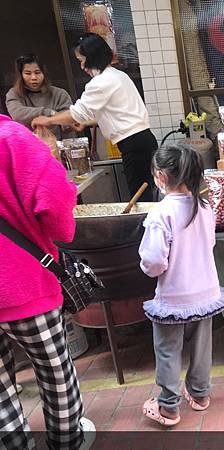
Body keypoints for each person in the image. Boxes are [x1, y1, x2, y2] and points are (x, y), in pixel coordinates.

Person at [0, 115, 95, 449]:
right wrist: (49, 155)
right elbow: (55, 204)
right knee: (56, 374)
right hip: (23, 287)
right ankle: (67, 442)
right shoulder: (13, 139)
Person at [139, 144, 224, 427]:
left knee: (168, 349)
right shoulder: (204, 207)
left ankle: (168, 407)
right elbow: (209, 244)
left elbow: (153, 262)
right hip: (206, 292)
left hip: (174, 297)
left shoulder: (160, 214)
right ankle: (200, 396)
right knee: (202, 347)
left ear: (161, 176)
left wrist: (147, 267)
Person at [32, 33, 156, 202]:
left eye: (82, 60)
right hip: (143, 140)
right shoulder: (118, 75)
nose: (82, 66)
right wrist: (85, 124)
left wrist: (48, 120)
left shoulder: (101, 82)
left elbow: (78, 112)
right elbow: (115, 112)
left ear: (92, 58)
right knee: (146, 192)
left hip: (133, 144)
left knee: (141, 197)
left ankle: (146, 228)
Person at [5, 54, 74, 139]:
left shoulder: (60, 94)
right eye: (28, 73)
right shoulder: (14, 94)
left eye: (37, 72)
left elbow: (69, 125)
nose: (33, 77)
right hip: (27, 146)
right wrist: (50, 113)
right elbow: (17, 114)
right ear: (21, 75)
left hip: (55, 145)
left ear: (44, 73)